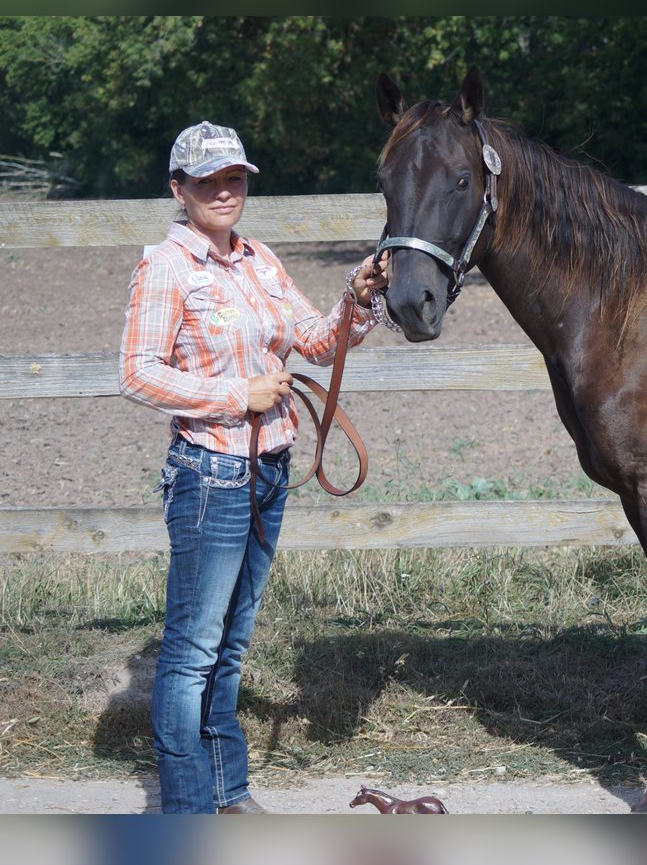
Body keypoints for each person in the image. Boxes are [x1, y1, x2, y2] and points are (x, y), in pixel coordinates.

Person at [120, 121, 388, 814]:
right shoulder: (167, 267)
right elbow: (138, 373)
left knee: (231, 646)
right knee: (192, 652)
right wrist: (236, 395)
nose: (224, 191)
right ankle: (187, 812)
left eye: (234, 177)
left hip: (269, 470)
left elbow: (318, 341)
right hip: (209, 475)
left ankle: (228, 792)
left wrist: (355, 297)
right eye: (207, 181)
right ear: (178, 189)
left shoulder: (258, 260)